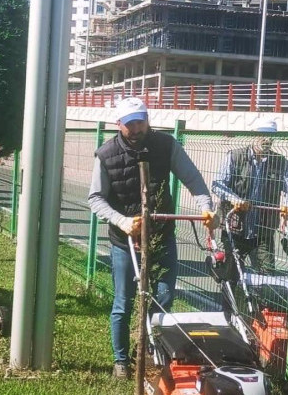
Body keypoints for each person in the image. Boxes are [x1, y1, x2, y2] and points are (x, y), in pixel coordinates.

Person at [88, 97, 215, 379]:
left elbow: (193, 179)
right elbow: (95, 199)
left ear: (148, 120)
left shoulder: (166, 145)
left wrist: (206, 207)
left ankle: (147, 347)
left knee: (164, 296)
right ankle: (120, 360)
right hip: (125, 240)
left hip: (161, 237)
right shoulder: (106, 155)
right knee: (123, 301)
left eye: (140, 121)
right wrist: (121, 221)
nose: (136, 129)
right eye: (129, 123)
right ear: (118, 124)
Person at [212, 117, 288, 276]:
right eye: (263, 135)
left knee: (267, 276)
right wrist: (235, 199)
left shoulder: (280, 162)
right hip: (235, 228)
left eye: (270, 137)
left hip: (263, 232)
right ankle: (231, 300)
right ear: (253, 135)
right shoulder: (234, 156)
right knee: (231, 275)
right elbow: (217, 184)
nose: (266, 140)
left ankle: (260, 301)